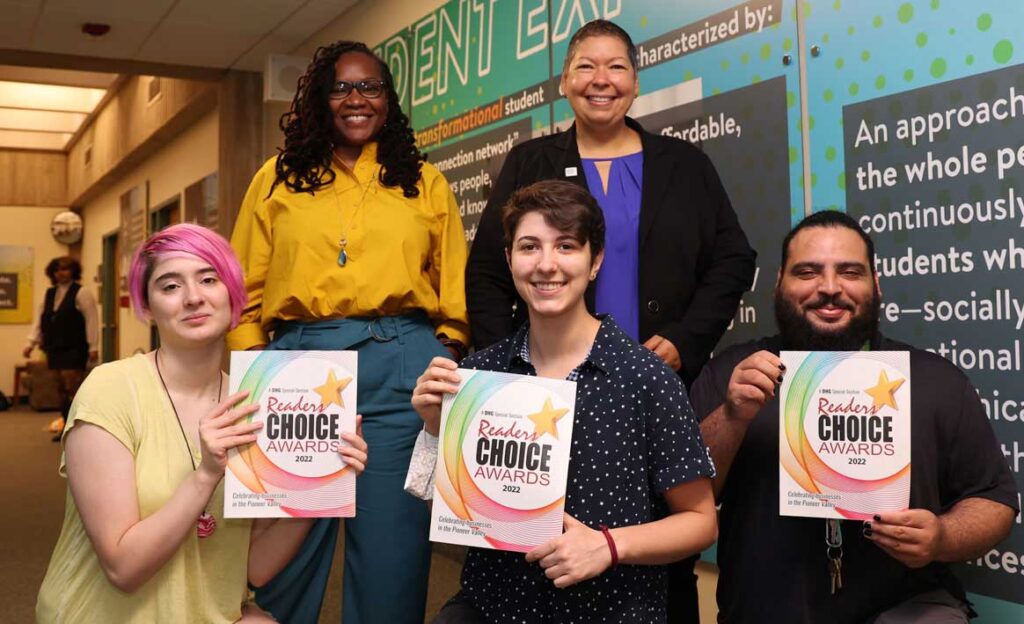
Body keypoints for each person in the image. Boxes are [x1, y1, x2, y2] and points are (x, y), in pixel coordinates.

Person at [229, 41, 470, 624]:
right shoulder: (276, 179)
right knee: (283, 554)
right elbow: (242, 289)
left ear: (389, 100)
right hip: (297, 370)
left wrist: (442, 352)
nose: (356, 99)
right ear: (318, 98)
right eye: (341, 87)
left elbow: (454, 289)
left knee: (392, 551)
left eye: (370, 87)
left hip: (399, 367)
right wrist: (257, 372)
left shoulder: (424, 182)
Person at [409, 180, 717, 623]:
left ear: (596, 261)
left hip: (609, 610)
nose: (546, 265)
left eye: (566, 246)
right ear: (510, 260)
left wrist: (609, 546)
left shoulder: (646, 378)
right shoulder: (479, 376)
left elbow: (700, 520)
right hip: (494, 607)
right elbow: (453, 513)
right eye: (529, 246)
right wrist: (437, 427)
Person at [693, 210, 1018, 623]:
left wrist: (942, 538)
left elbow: (995, 499)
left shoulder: (935, 378)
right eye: (808, 272)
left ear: (875, 285)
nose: (829, 288)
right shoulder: (734, 373)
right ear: (779, 283)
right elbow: (685, 495)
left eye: (849, 272)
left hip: (905, 607)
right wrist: (732, 416)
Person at [36, 224, 369, 623]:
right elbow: (123, 568)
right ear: (149, 307)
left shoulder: (258, 402)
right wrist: (206, 474)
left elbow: (254, 567)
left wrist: (322, 483)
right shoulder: (111, 389)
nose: (193, 298)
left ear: (232, 294)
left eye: (208, 279)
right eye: (170, 286)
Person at [467, 19, 755, 388]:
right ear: (564, 83)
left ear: (635, 84)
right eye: (585, 66)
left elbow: (733, 261)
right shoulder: (528, 163)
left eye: (616, 67)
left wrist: (686, 339)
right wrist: (507, 371)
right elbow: (487, 275)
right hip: (549, 384)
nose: (600, 79)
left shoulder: (686, 164)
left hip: (659, 378)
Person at [23, 256, 99, 440]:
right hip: (54, 349)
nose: (61, 273)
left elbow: (92, 320)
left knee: (73, 388)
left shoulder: (82, 292)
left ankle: (82, 429)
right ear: (53, 273)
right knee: (60, 391)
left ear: (73, 271)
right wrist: (30, 343)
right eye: (57, 270)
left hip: (74, 348)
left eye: (65, 269)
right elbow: (40, 320)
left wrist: (93, 346)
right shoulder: (49, 294)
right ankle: (66, 426)